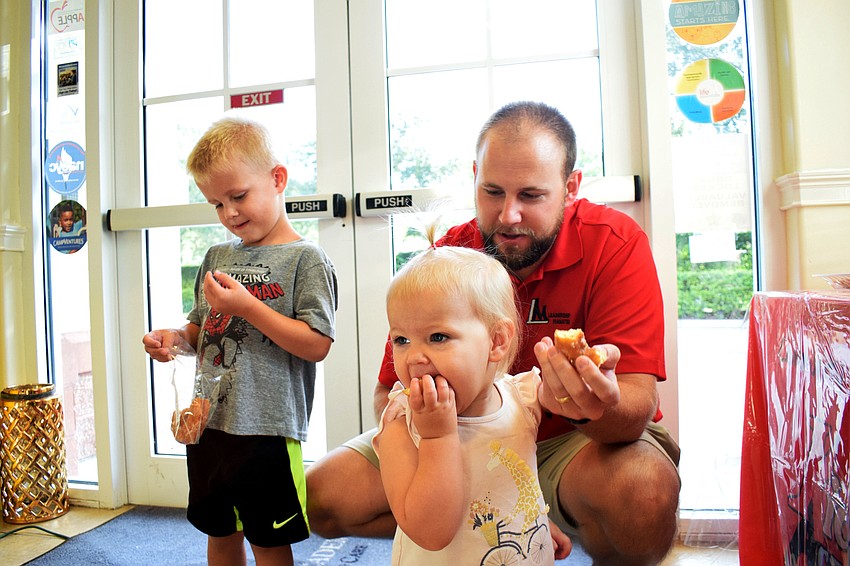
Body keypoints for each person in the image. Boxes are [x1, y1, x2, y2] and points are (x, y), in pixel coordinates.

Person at [306, 101, 681, 565]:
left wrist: (586, 407)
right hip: (459, 433)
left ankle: (561, 530)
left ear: (571, 186)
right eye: (493, 192)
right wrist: (439, 441)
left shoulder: (614, 244)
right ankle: (493, 523)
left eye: (531, 195)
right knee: (321, 496)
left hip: (581, 443)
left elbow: (636, 411)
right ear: (474, 177)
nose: (509, 216)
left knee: (643, 495)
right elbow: (390, 389)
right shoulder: (450, 255)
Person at [142, 117, 338, 566]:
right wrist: (172, 339)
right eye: (216, 203)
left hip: (265, 430)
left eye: (239, 196)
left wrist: (249, 307)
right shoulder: (216, 256)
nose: (229, 213)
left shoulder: (305, 259)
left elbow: (317, 344)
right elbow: (200, 330)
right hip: (209, 424)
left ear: (277, 179)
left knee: (268, 540)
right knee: (218, 530)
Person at [374, 226, 572, 564]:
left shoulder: (522, 398)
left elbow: (506, 481)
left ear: (496, 342)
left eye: (438, 337)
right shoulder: (401, 427)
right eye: (401, 339)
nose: (415, 357)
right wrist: (438, 435)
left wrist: (531, 518)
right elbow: (430, 532)